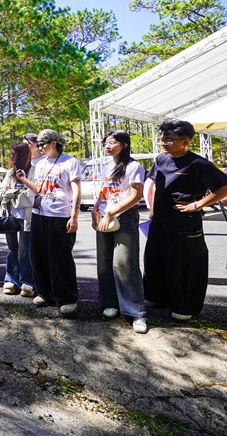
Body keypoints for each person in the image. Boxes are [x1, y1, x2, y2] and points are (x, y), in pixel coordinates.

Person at [143, 120, 227, 321]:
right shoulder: (161, 159)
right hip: (160, 220)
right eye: (162, 138)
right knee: (155, 259)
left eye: (169, 139)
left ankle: (184, 306)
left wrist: (197, 205)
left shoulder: (199, 164)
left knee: (182, 264)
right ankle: (157, 297)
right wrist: (153, 208)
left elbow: (223, 188)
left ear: (186, 141)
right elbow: (154, 184)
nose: (164, 142)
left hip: (185, 222)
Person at [17, 129, 82, 317]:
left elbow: (76, 188)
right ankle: (45, 293)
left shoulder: (70, 162)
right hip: (39, 213)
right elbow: (39, 188)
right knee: (38, 255)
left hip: (60, 215)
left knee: (60, 258)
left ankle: (67, 298)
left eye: (42, 144)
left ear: (54, 143)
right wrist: (22, 179)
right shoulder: (41, 164)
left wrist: (74, 215)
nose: (39, 147)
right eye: (38, 144)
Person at [92, 131, 148, 334]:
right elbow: (104, 192)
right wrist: (95, 210)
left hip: (122, 217)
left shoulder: (134, 167)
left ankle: (136, 312)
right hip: (104, 215)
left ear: (124, 145)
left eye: (112, 143)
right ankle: (111, 304)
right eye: (106, 142)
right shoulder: (108, 166)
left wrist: (111, 213)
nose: (107, 146)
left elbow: (135, 196)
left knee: (124, 263)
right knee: (105, 261)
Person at [0, 142, 37, 297]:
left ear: (22, 154)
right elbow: (2, 192)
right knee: (11, 249)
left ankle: (27, 281)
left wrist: (13, 192)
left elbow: (32, 194)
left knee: (26, 250)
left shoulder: (33, 170)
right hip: (11, 216)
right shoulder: (10, 173)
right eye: (11, 153)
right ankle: (10, 279)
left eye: (14, 153)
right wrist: (17, 191)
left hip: (27, 216)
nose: (11, 156)